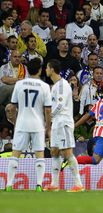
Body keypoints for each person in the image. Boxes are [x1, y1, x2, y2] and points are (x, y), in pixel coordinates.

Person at [5, 58, 52, 192]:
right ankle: (38, 185)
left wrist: (15, 122)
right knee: (39, 154)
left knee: (15, 154)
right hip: (37, 124)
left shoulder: (19, 84)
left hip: (22, 123)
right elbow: (48, 110)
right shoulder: (44, 86)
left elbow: (12, 106)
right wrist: (48, 127)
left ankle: (9, 185)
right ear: (39, 70)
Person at [44, 59, 83, 192]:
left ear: (52, 69)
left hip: (63, 122)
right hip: (57, 123)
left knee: (67, 153)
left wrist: (49, 118)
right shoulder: (55, 86)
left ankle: (78, 184)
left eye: (47, 68)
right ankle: (54, 184)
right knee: (54, 151)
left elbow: (59, 105)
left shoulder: (62, 85)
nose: (45, 70)